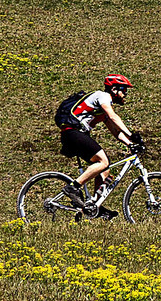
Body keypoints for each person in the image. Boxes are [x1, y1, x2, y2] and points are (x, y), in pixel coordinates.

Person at [54, 74, 137, 217]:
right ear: (114, 89)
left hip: (75, 134)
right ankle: (72, 188)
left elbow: (116, 132)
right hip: (72, 132)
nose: (125, 94)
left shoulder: (102, 110)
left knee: (104, 170)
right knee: (103, 161)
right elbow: (113, 117)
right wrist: (132, 133)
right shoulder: (103, 96)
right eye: (123, 89)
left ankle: (94, 206)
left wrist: (131, 143)